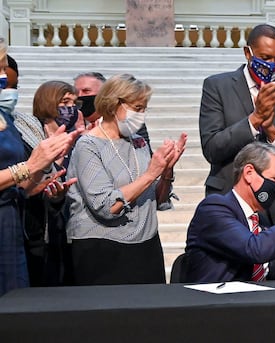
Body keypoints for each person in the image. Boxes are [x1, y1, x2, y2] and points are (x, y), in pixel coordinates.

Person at [199, 24, 275, 280]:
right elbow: (212, 148)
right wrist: (253, 120)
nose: (272, 64)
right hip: (231, 203)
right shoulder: (217, 87)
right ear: (248, 53)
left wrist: (272, 132)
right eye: (265, 58)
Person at [66, 73, 187, 285]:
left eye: (144, 109)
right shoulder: (88, 145)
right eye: (137, 108)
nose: (141, 115)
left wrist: (166, 171)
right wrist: (151, 174)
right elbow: (105, 206)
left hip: (146, 243)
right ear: (114, 104)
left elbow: (157, 200)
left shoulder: (139, 142)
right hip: (102, 249)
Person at [0, 36, 79, 296]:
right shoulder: (21, 124)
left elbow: (23, 186)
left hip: (12, 220)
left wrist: (46, 170)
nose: (5, 78)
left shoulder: (6, 121)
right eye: (0, 69)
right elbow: (23, 170)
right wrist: (32, 163)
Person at [184, 142, 275, 283]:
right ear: (249, 173)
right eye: (274, 179)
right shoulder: (214, 208)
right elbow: (255, 249)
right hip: (214, 302)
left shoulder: (261, 221)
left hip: (255, 302)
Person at [12, 79, 79, 286]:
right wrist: (53, 162)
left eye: (74, 103)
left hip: (66, 228)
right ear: (48, 101)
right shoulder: (25, 136)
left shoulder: (77, 137)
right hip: (35, 227)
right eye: (65, 102)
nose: (71, 109)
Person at [74, 72, 152, 147]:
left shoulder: (129, 121)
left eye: (86, 91)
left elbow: (145, 154)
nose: (79, 96)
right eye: (76, 92)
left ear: (103, 93)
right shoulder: (70, 123)